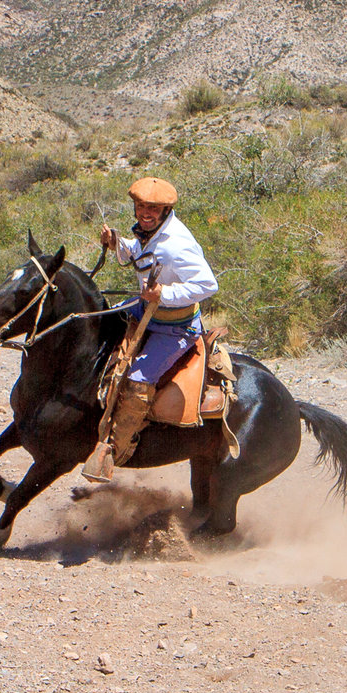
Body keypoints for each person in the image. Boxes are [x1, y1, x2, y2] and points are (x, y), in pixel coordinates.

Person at [81, 176, 217, 480]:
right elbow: (139, 254)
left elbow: (208, 284)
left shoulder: (177, 245)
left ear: (166, 210)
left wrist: (164, 295)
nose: (146, 212)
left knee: (138, 377)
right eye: (141, 205)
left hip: (175, 327)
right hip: (146, 310)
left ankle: (115, 449)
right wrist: (117, 243)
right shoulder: (148, 231)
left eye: (153, 207)